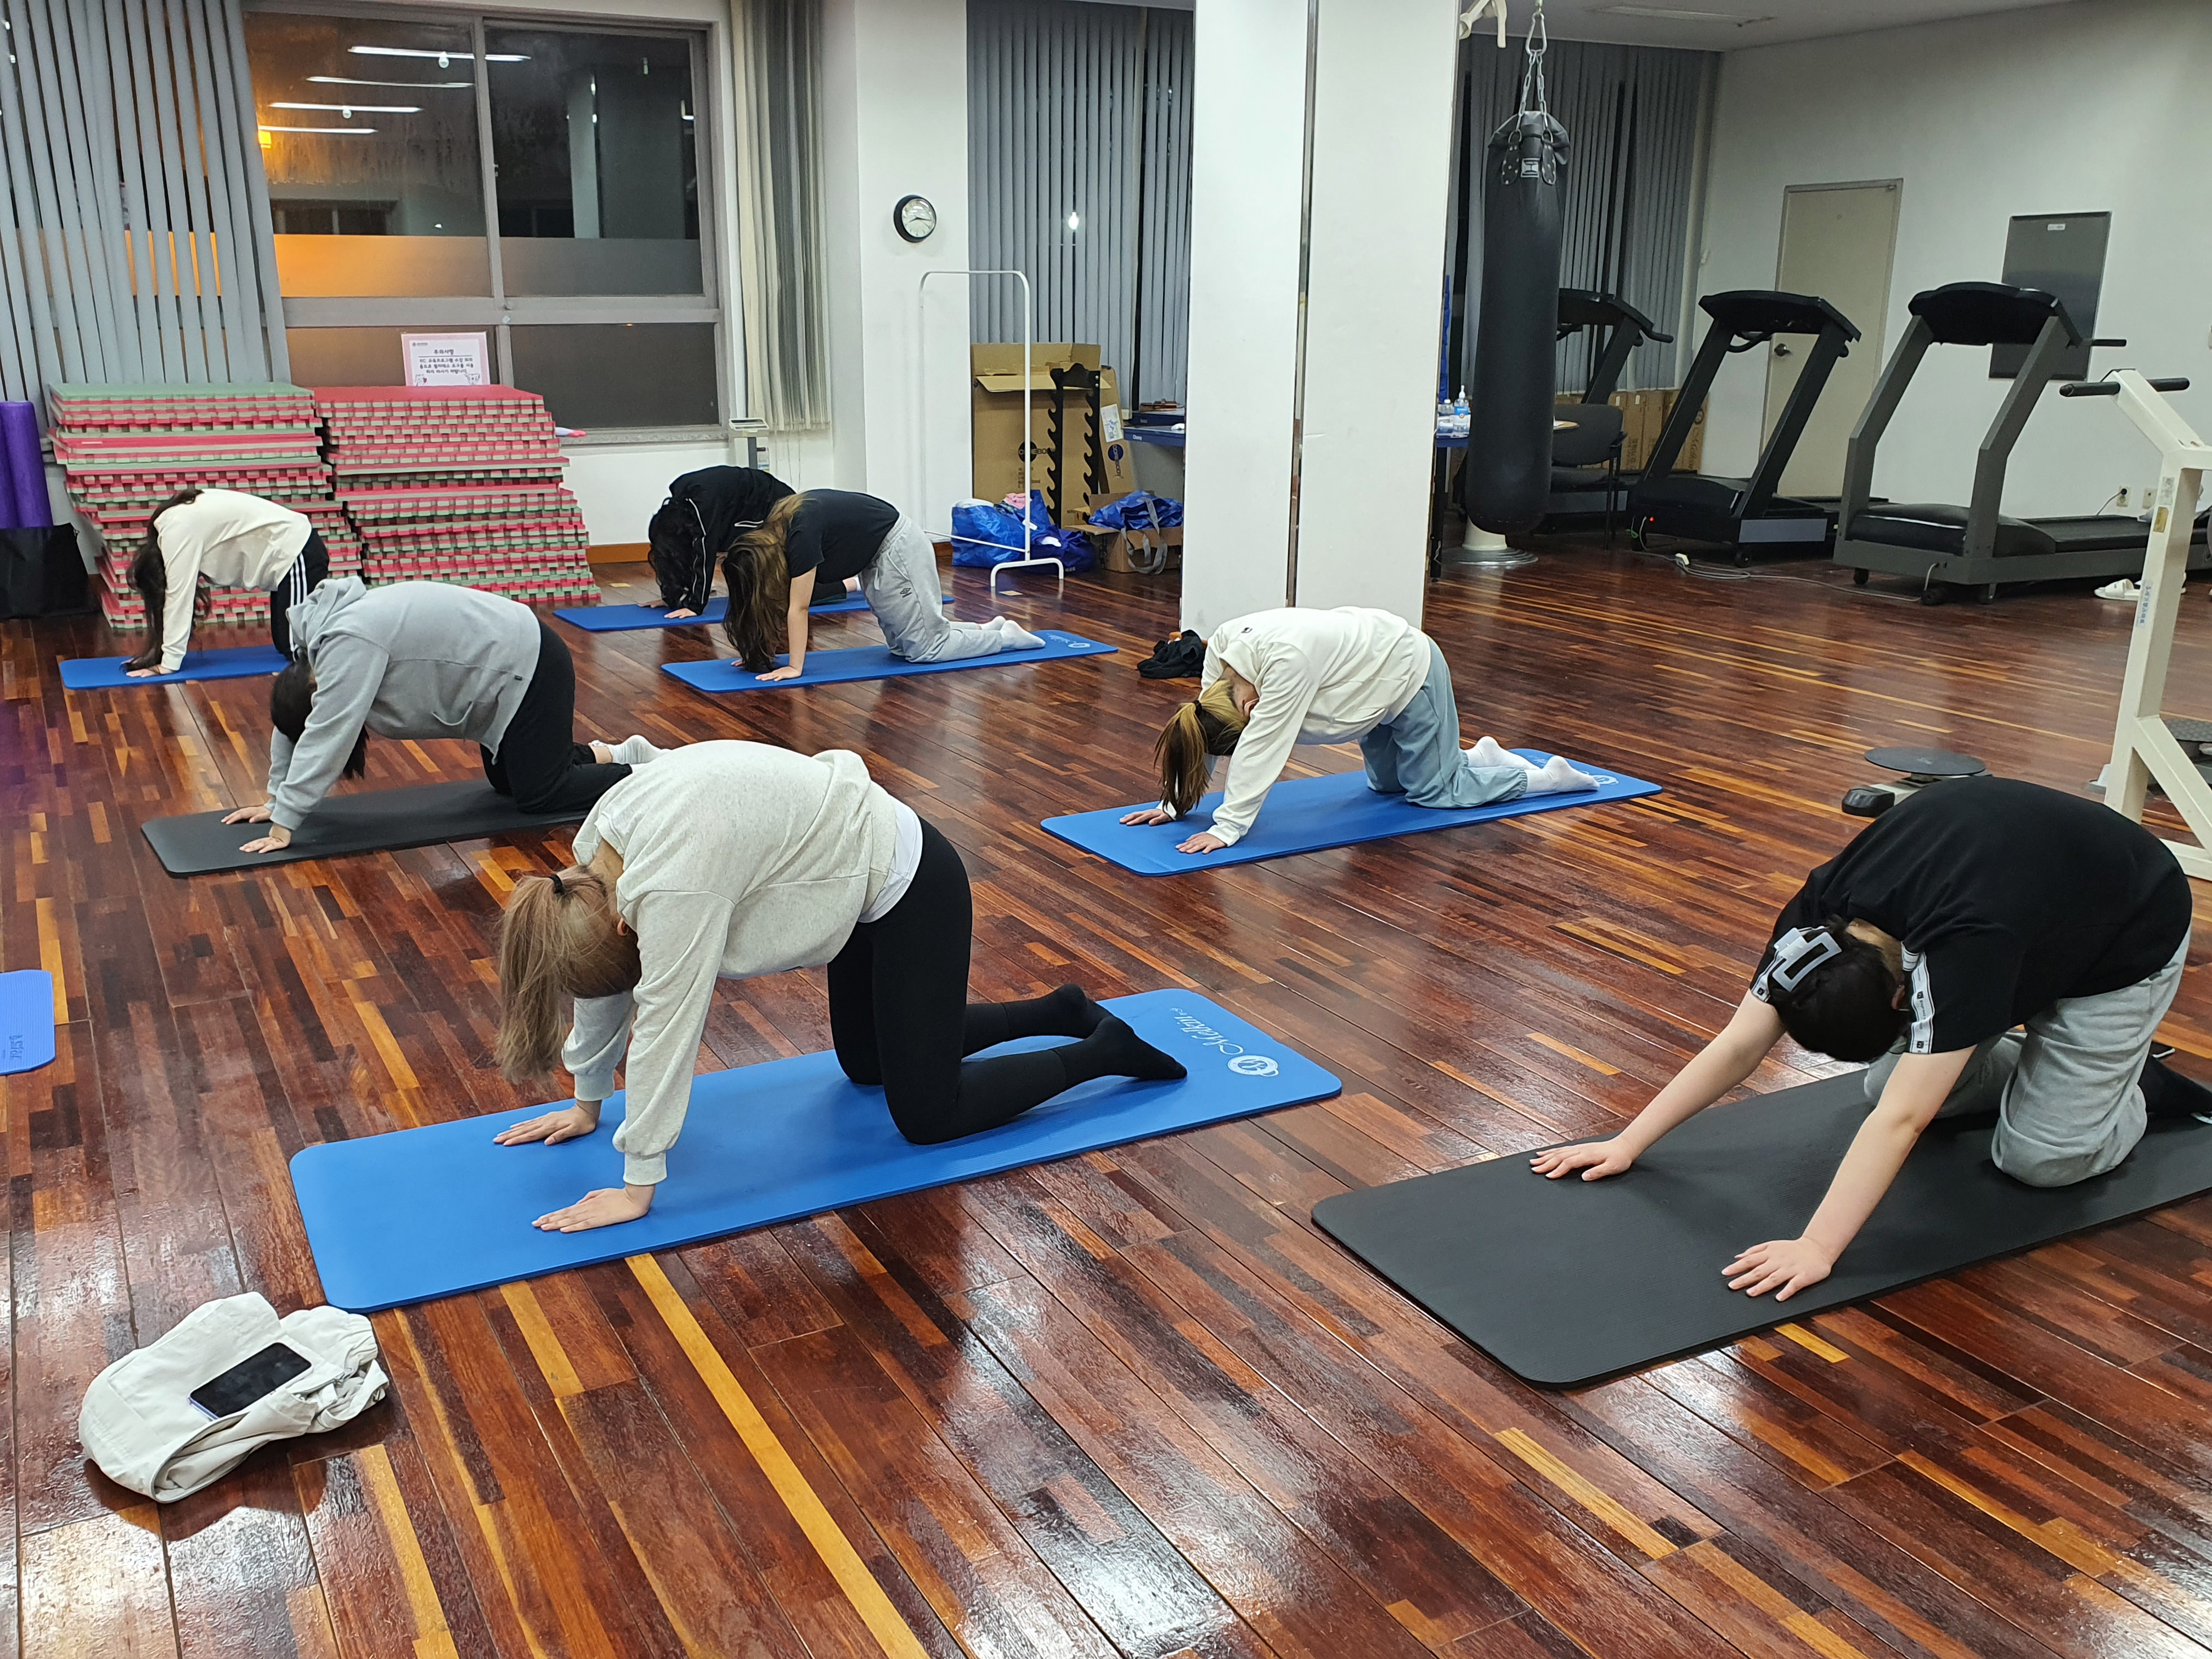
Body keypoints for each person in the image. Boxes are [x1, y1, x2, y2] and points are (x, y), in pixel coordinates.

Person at [1530, 777, 2209, 1301]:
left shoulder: (1963, 948)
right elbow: (1740, 1044)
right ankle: (2063, 1077)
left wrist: (1817, 1247)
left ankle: (2128, 1090)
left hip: (2125, 932)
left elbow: (1902, 1123)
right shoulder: (1819, 918)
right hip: (2030, 912)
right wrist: (1629, 1142)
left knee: (2040, 1159)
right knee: (1888, 1083)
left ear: (1899, 997)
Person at [490, 740, 1188, 1232]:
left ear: (625, 927)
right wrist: (587, 1101)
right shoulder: (590, 867)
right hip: (844, 882)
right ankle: (1059, 1008)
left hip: (911, 880)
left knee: (929, 1115)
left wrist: (637, 1184)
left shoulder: (672, 889)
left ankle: (1106, 1050)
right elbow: (604, 982)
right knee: (867, 1063)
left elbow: (666, 1026)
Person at [222, 578, 658, 854]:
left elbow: (325, 733)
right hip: (506, 670)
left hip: (529, 660)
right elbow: (294, 723)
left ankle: (650, 775)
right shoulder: (314, 653)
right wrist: (274, 800)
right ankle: (615, 753)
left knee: (541, 794)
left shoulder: (348, 643)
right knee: (508, 782)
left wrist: (285, 824)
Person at [1119, 606, 1597, 854]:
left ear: (1251, 709)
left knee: (1434, 793)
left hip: (1410, 672)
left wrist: (1227, 829)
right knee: (1388, 786)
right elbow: (1204, 729)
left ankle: (1546, 779)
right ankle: (1476, 757)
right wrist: (1174, 803)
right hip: (1368, 684)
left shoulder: (1285, 665)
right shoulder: (1222, 657)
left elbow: (1260, 753)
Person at [721, 489, 1042, 681]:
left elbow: (799, 606)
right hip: (877, 556)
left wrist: (795, 667)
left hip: (897, 549)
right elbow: (760, 603)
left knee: (927, 649)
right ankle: (987, 628)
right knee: (903, 648)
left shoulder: (799, 536)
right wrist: (754, 654)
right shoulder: (780, 527)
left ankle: (1006, 639)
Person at [125, 487, 330, 676]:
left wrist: (167, 665)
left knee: (296, 651)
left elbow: (178, 597)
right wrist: (157, 655)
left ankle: (341, 660)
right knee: (283, 644)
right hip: (287, 558)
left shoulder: (177, 530)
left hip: (298, 551)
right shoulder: (173, 520)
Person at [646, 464, 793, 618]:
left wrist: (695, 606)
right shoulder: (682, 499)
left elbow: (705, 553)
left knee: (740, 550)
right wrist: (670, 598)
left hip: (776, 501)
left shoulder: (702, 506)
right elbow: (674, 559)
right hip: (747, 502)